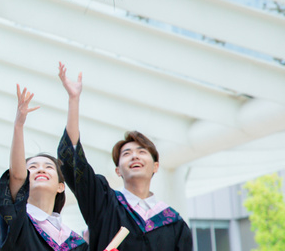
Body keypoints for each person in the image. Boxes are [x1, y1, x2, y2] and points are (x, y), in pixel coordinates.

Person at [55, 63, 192, 250]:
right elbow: (73, 162)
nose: (135, 156)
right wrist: (73, 100)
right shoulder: (104, 203)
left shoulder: (174, 223)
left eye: (142, 152)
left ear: (155, 166)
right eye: (127, 154)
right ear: (118, 170)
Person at [0, 85, 87, 250]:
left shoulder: (74, 243)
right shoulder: (17, 219)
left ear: (60, 186)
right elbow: (16, 176)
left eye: (49, 167)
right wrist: (19, 126)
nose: (41, 169)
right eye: (32, 167)